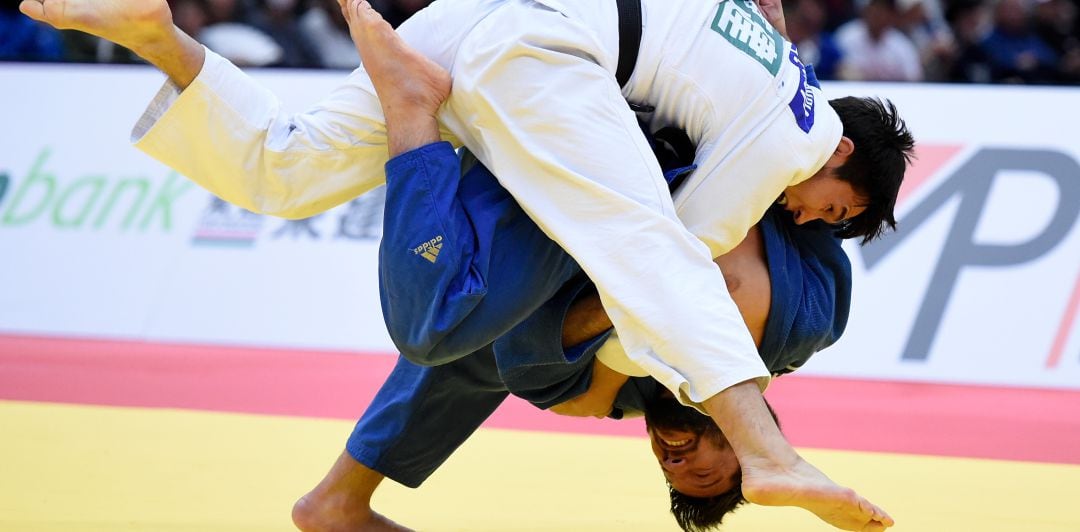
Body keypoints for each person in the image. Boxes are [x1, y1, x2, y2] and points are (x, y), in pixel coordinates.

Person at [18, 0, 913, 529]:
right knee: (649, 253)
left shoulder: (777, 68)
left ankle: (159, 37)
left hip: (492, 22)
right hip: (540, 53)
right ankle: (771, 453)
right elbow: (676, 245)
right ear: (847, 164)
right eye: (835, 211)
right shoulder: (791, 141)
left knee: (285, 168)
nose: (807, 217)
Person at [295, 27, 852, 529]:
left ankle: (339, 499)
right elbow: (816, 195)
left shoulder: (621, 393)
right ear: (745, 446)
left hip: (547, 216)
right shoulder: (799, 322)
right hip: (627, 122)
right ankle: (339, 500)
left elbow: (530, 364)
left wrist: (624, 303)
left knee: (456, 343)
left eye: (670, 471)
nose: (676, 461)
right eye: (705, 474)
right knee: (444, 335)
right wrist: (779, 51)